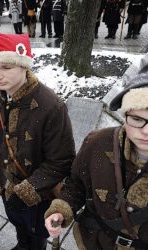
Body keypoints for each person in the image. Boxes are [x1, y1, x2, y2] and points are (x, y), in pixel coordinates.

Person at [0, 32, 75, 249]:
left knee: (36, 230)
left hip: (39, 191)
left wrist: (28, 189)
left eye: (6, 68)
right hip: (5, 182)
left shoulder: (51, 106)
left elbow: (62, 160)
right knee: (18, 223)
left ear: (24, 66)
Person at [44, 67, 148, 249]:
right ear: (125, 115)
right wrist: (61, 210)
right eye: (138, 119)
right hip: (94, 242)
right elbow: (77, 184)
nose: (146, 131)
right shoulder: (99, 142)